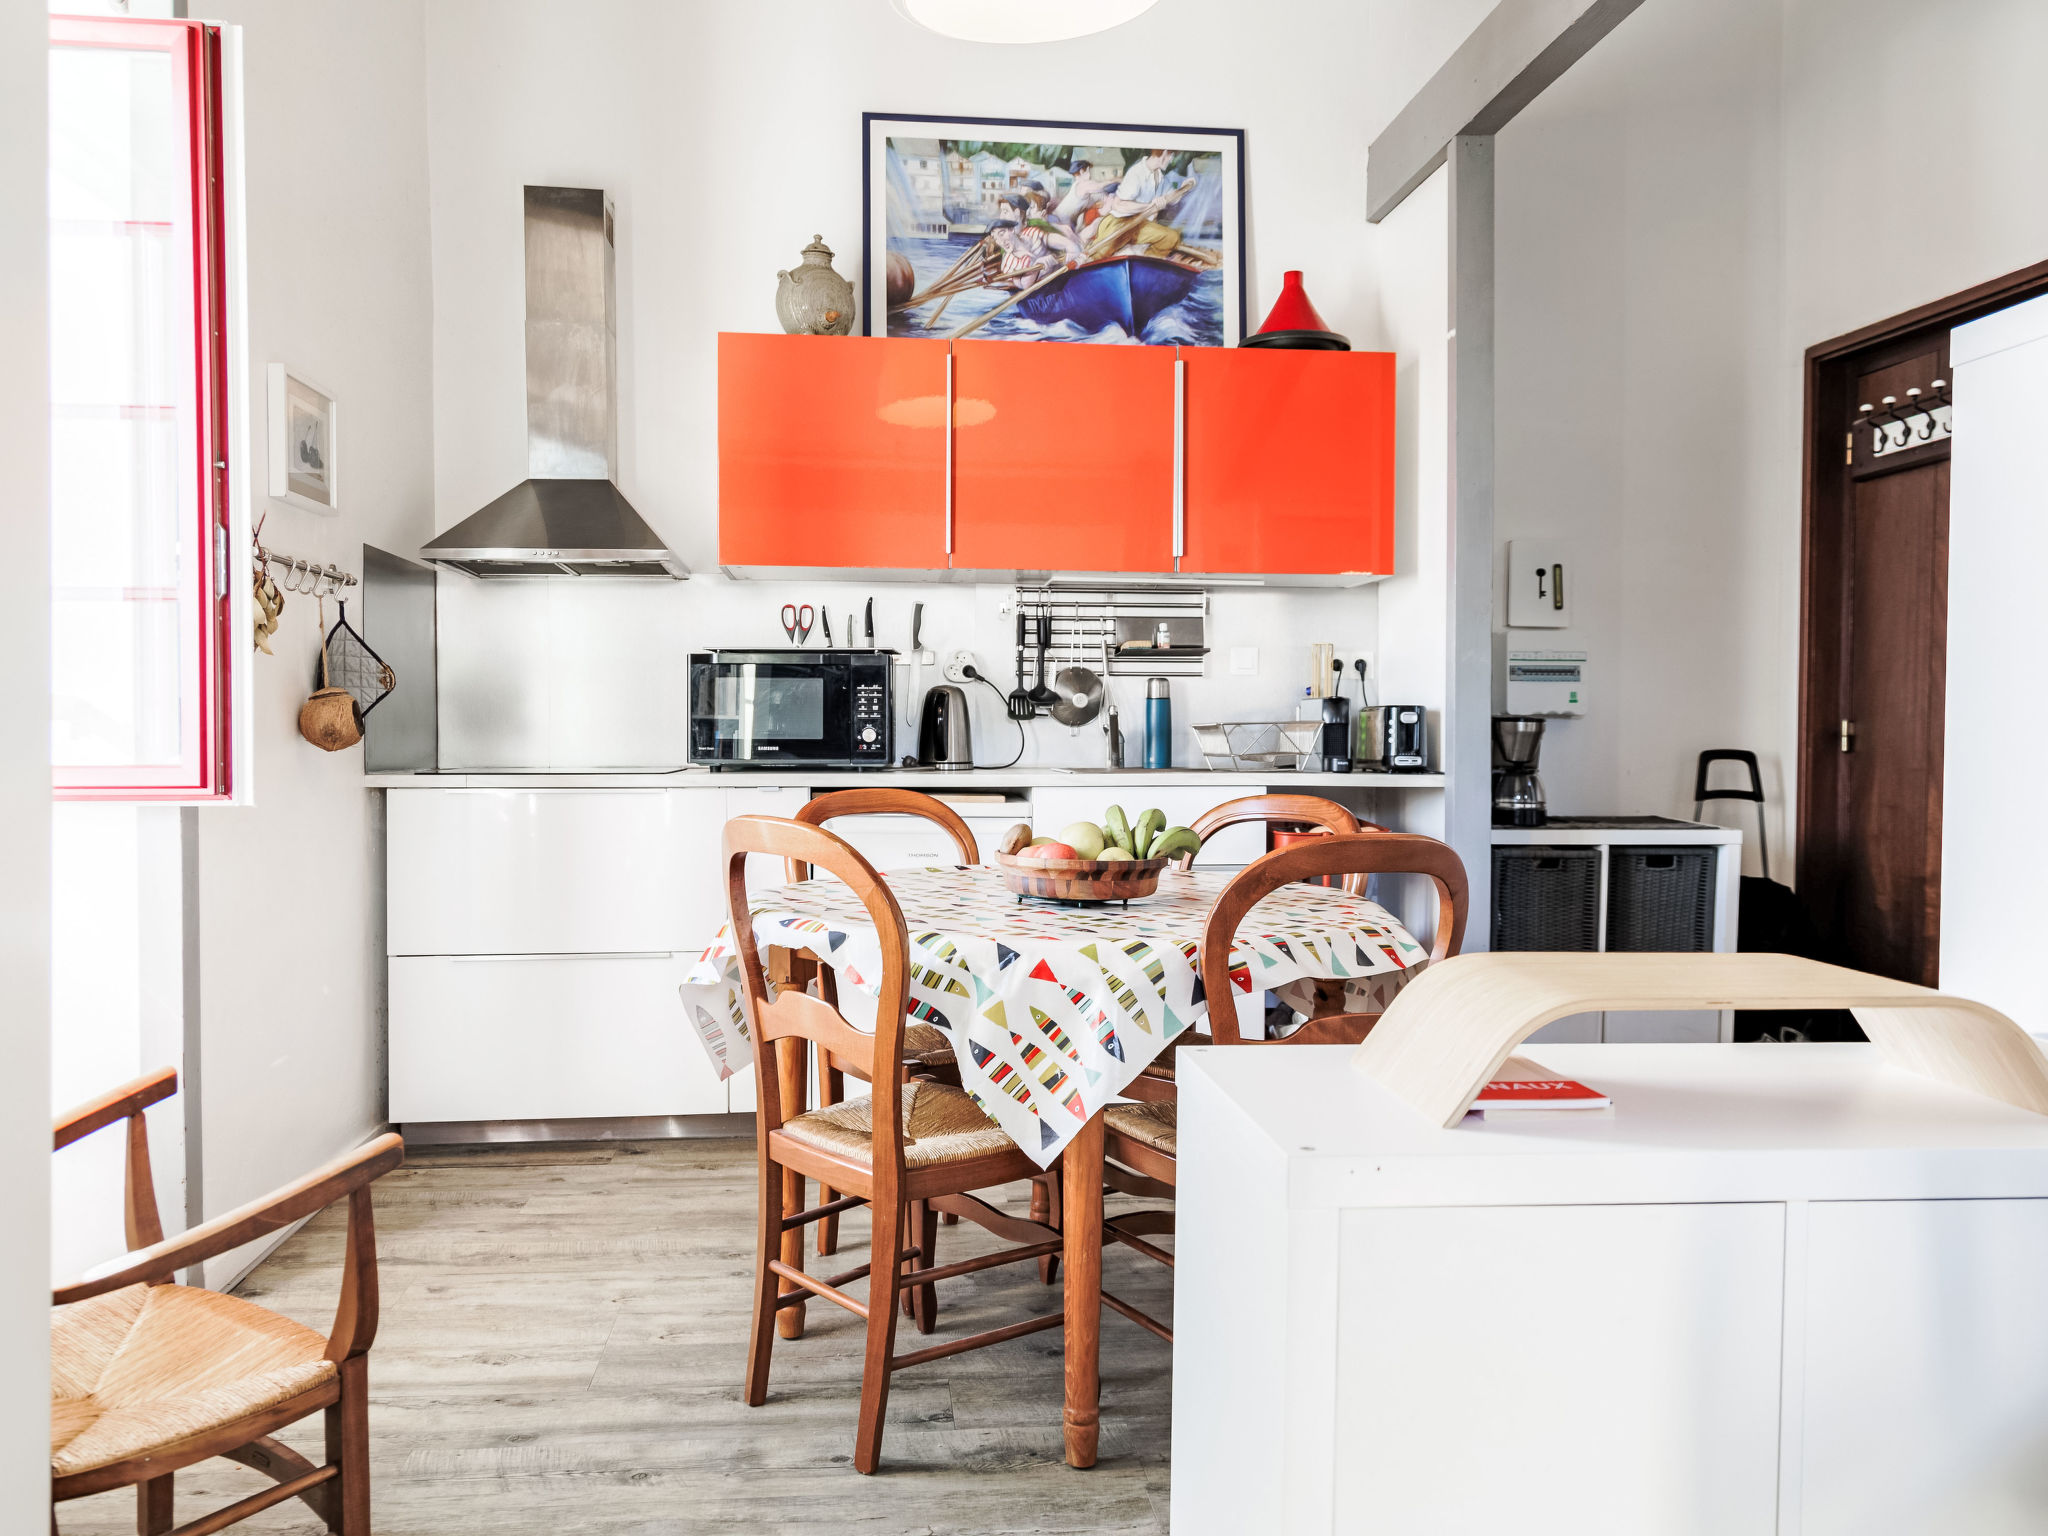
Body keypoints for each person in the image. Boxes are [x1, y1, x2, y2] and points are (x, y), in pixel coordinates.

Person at [1088, 147, 1191, 259]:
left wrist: (1184, 188)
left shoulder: (1159, 176)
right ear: (1165, 153)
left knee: (1171, 237)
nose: (1171, 160)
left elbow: (1172, 198)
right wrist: (1149, 206)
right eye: (1171, 156)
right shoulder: (1136, 173)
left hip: (1141, 225)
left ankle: (1147, 262)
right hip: (1120, 223)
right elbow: (1119, 205)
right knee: (1099, 255)